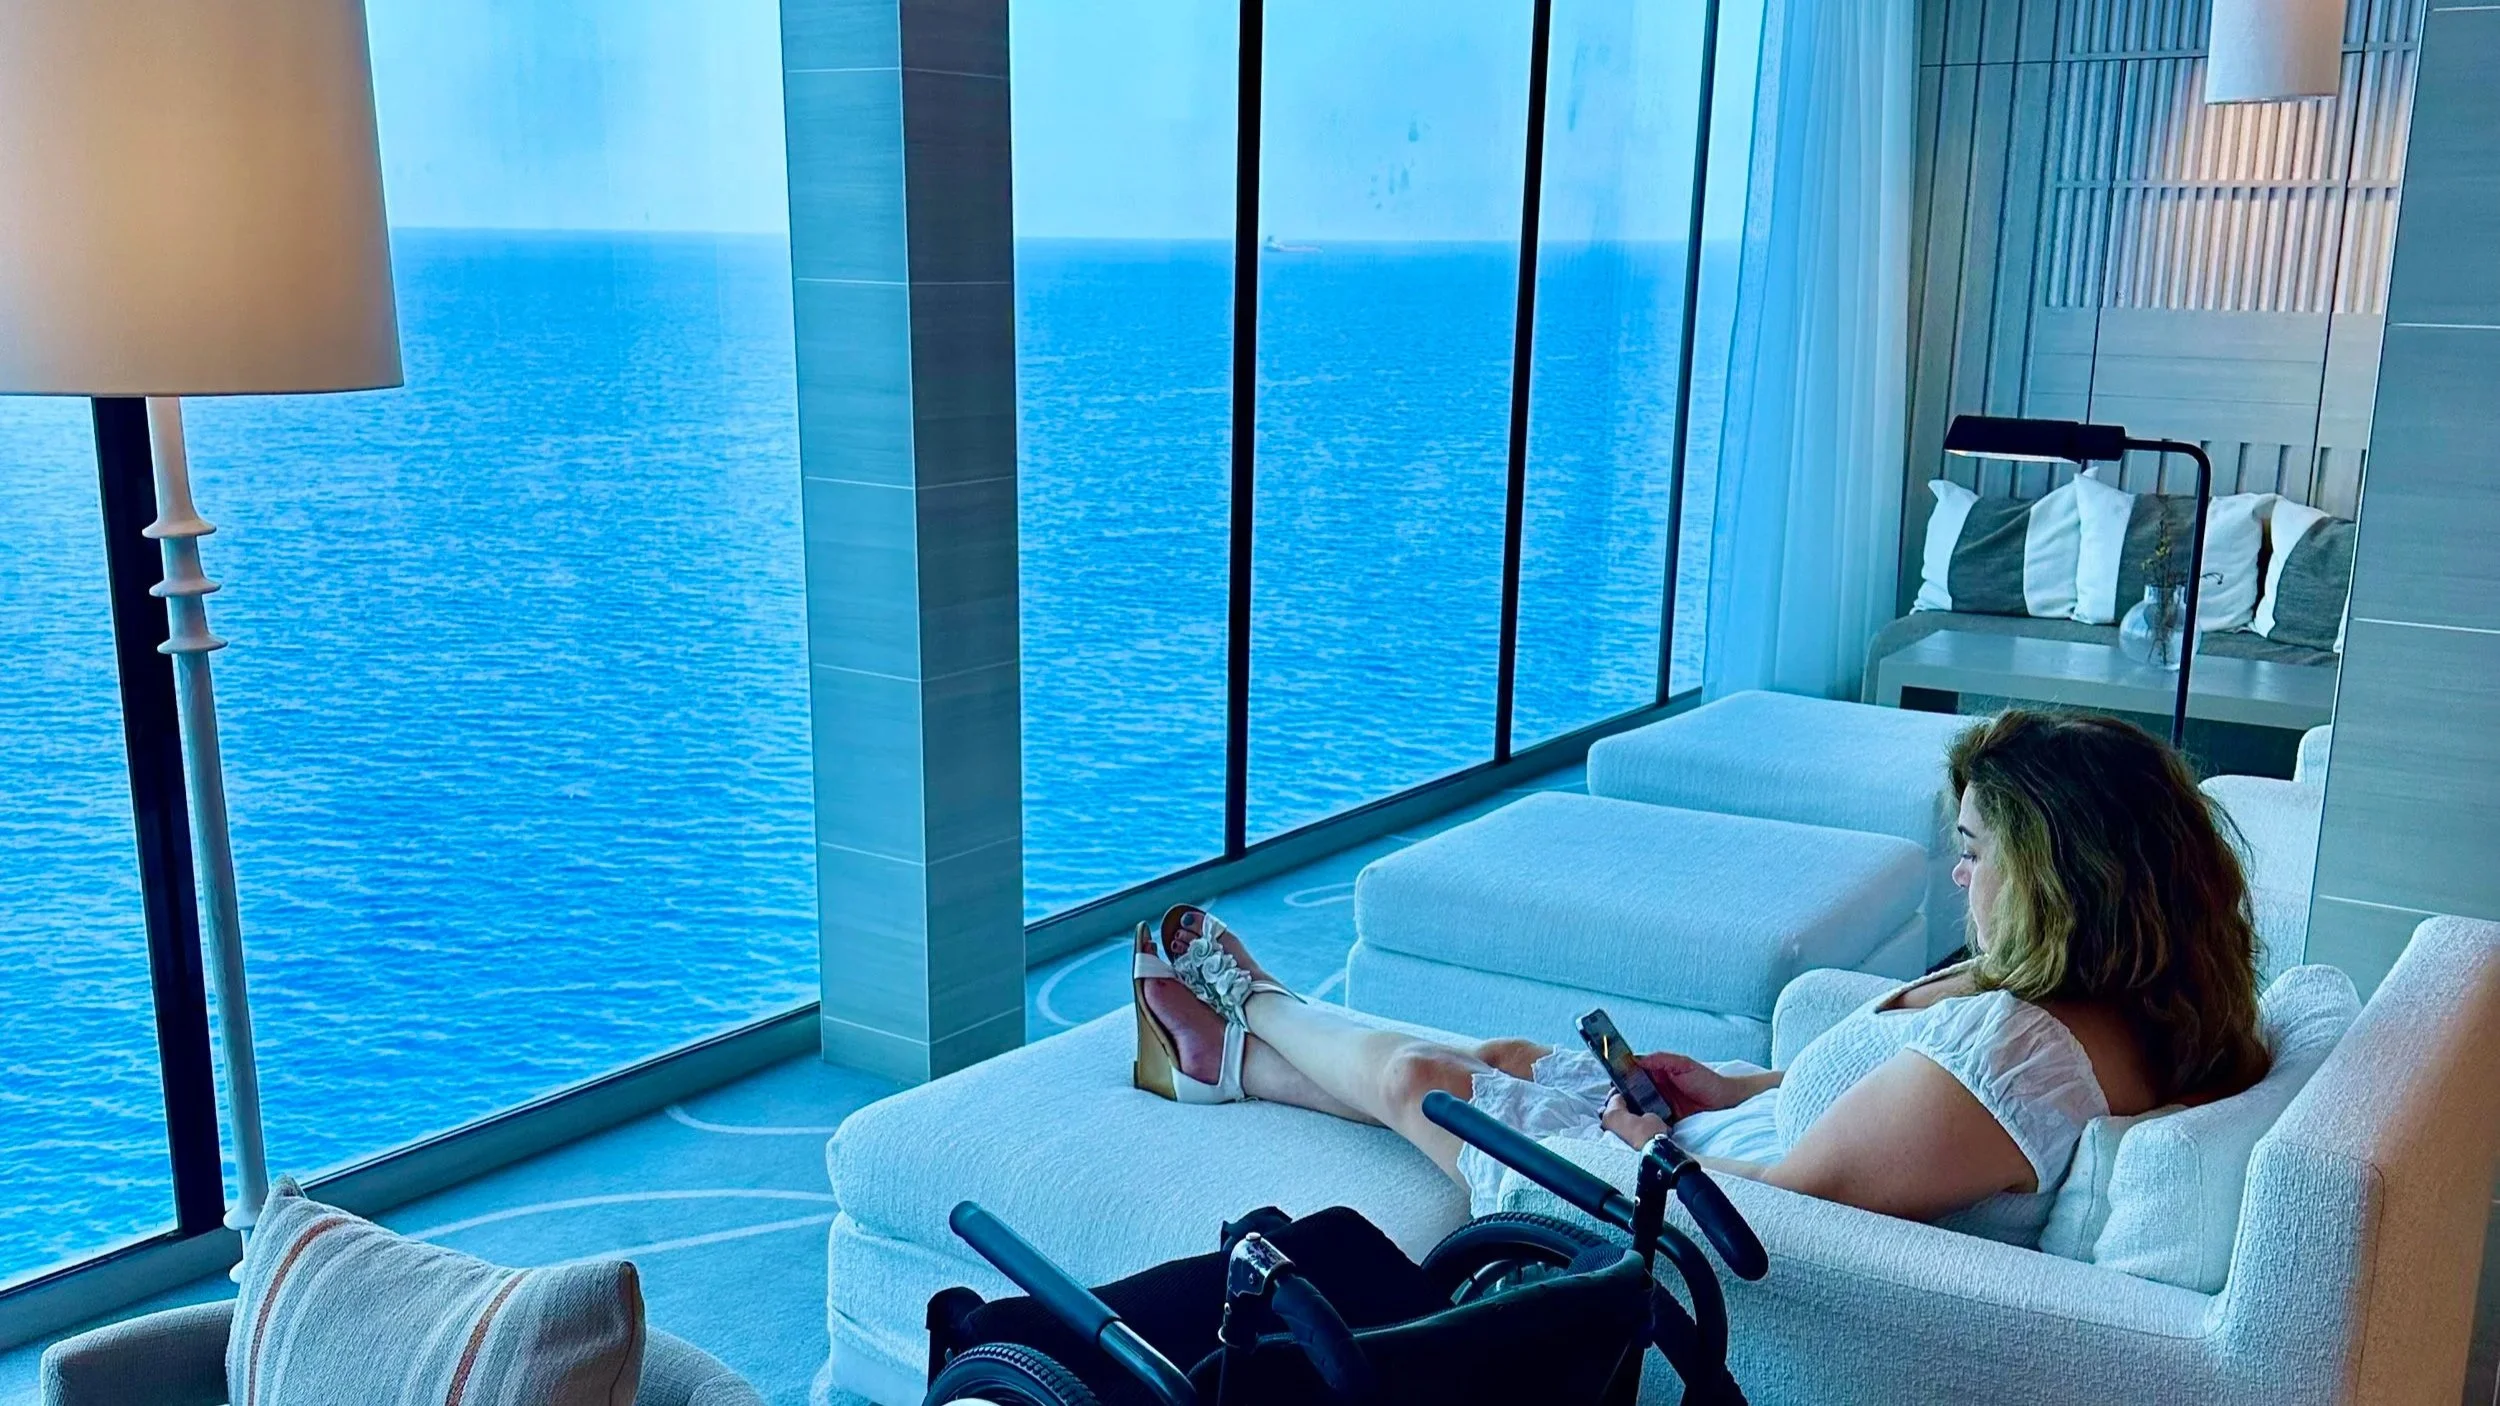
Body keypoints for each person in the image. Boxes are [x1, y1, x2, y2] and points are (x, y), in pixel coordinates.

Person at [1131, 709, 2272, 1247]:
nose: (1959, 873)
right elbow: (1893, 1113)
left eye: (1976, 850)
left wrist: (1647, 1141)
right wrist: (1734, 1084)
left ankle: (1256, 999)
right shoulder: (2098, 996)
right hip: (1732, 1136)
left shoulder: (2022, 1057)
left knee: (1421, 1080)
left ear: (2060, 872)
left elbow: (1776, 1215)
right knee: (1513, 1055)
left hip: (1680, 1210)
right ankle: (1224, 1065)